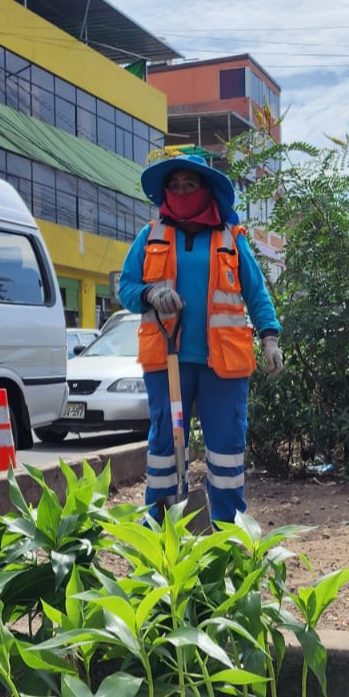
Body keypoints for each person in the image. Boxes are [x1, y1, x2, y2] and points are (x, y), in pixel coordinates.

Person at [118, 153, 283, 524]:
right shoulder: (150, 236)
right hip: (168, 360)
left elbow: (256, 294)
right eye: (174, 185)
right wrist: (148, 295)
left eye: (189, 184)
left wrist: (270, 338)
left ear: (206, 190)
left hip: (222, 366)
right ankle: (158, 531)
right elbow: (126, 287)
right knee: (164, 448)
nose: (181, 190)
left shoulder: (231, 239)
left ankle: (228, 529)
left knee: (226, 450)